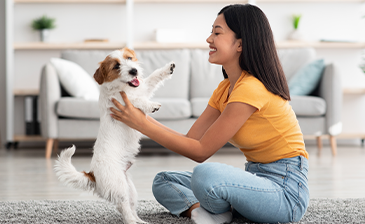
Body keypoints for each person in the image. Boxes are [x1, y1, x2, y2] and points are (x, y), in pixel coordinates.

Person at [110, 4, 309, 224]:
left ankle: (221, 209)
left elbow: (201, 152)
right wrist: (142, 119)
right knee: (164, 181)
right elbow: (191, 140)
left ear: (240, 44)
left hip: (286, 194)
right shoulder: (225, 89)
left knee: (205, 174)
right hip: (255, 179)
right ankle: (203, 212)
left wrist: (142, 124)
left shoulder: (251, 88)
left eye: (217, 33)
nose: (208, 39)